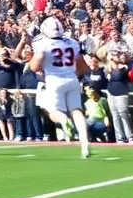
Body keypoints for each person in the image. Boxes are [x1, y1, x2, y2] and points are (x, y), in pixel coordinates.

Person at [30, 16, 91, 158]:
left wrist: (41, 67)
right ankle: (85, 144)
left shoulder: (43, 43)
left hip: (54, 80)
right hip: (72, 79)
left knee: (52, 112)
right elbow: (83, 65)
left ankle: (64, 121)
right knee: (77, 111)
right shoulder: (73, 42)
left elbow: (34, 66)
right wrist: (73, 73)